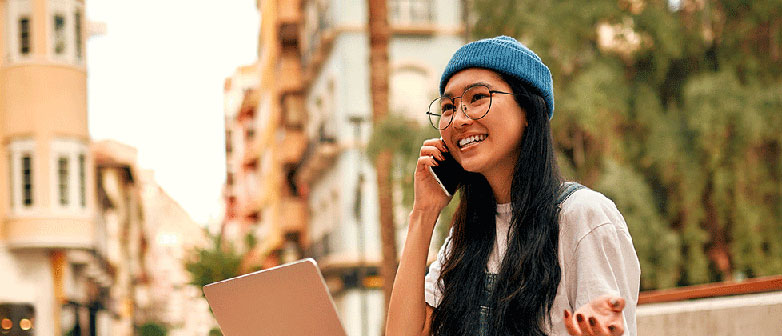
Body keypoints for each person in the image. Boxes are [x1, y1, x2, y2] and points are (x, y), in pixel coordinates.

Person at [385, 36, 640, 336]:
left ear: (529, 110)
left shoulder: (583, 217)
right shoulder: (464, 236)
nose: (458, 120)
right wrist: (423, 214)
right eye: (448, 107)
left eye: (477, 97)